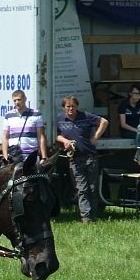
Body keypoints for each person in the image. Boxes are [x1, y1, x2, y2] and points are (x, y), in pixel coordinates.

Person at [56, 95, 110, 223]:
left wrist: (96, 137)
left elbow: (104, 122)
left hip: (90, 157)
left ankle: (93, 215)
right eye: (68, 106)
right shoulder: (59, 119)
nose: (70, 109)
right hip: (74, 158)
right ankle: (86, 218)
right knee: (82, 189)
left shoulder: (85, 116)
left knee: (92, 188)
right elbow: (56, 135)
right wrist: (65, 141)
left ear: (77, 107)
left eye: (73, 106)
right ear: (64, 108)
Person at [2, 89, 48, 163]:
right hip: (14, 155)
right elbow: (5, 137)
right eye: (14, 100)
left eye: (19, 100)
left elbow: (41, 136)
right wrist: (5, 156)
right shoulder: (8, 115)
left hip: (32, 155)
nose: (17, 102)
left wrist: (44, 157)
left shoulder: (36, 114)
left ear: (25, 99)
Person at [118, 83, 140, 173]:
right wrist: (138, 131)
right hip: (127, 131)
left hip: (139, 131)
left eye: (139, 94)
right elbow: (123, 124)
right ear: (130, 93)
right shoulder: (124, 104)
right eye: (135, 93)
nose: (137, 96)